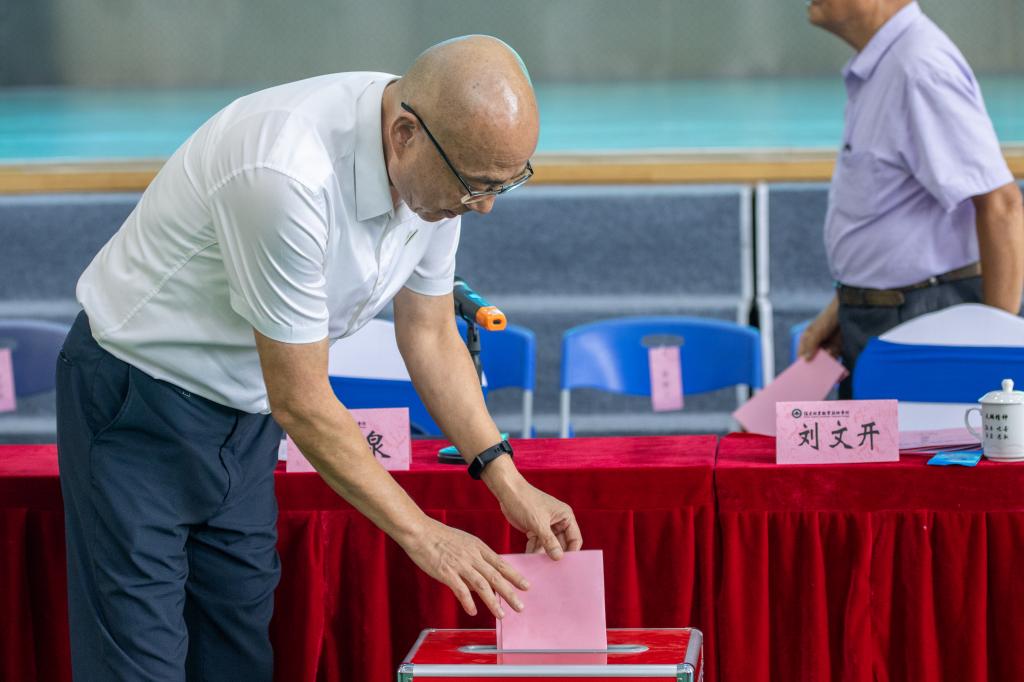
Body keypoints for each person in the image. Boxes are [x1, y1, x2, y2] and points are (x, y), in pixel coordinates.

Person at [56, 35, 582, 680]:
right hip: (139, 400)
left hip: (246, 415)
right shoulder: (286, 172)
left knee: (238, 655)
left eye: (505, 184)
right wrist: (424, 533)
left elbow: (430, 334)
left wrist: (506, 478)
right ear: (405, 135)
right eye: (476, 185)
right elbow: (302, 400)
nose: (486, 206)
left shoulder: (443, 153)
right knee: (140, 662)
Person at [798, 0, 1024, 393]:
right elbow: (894, 214)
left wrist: (993, 355)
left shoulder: (918, 68)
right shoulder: (888, 68)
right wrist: (847, 305)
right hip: (883, 315)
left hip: (922, 319)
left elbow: (1002, 206)